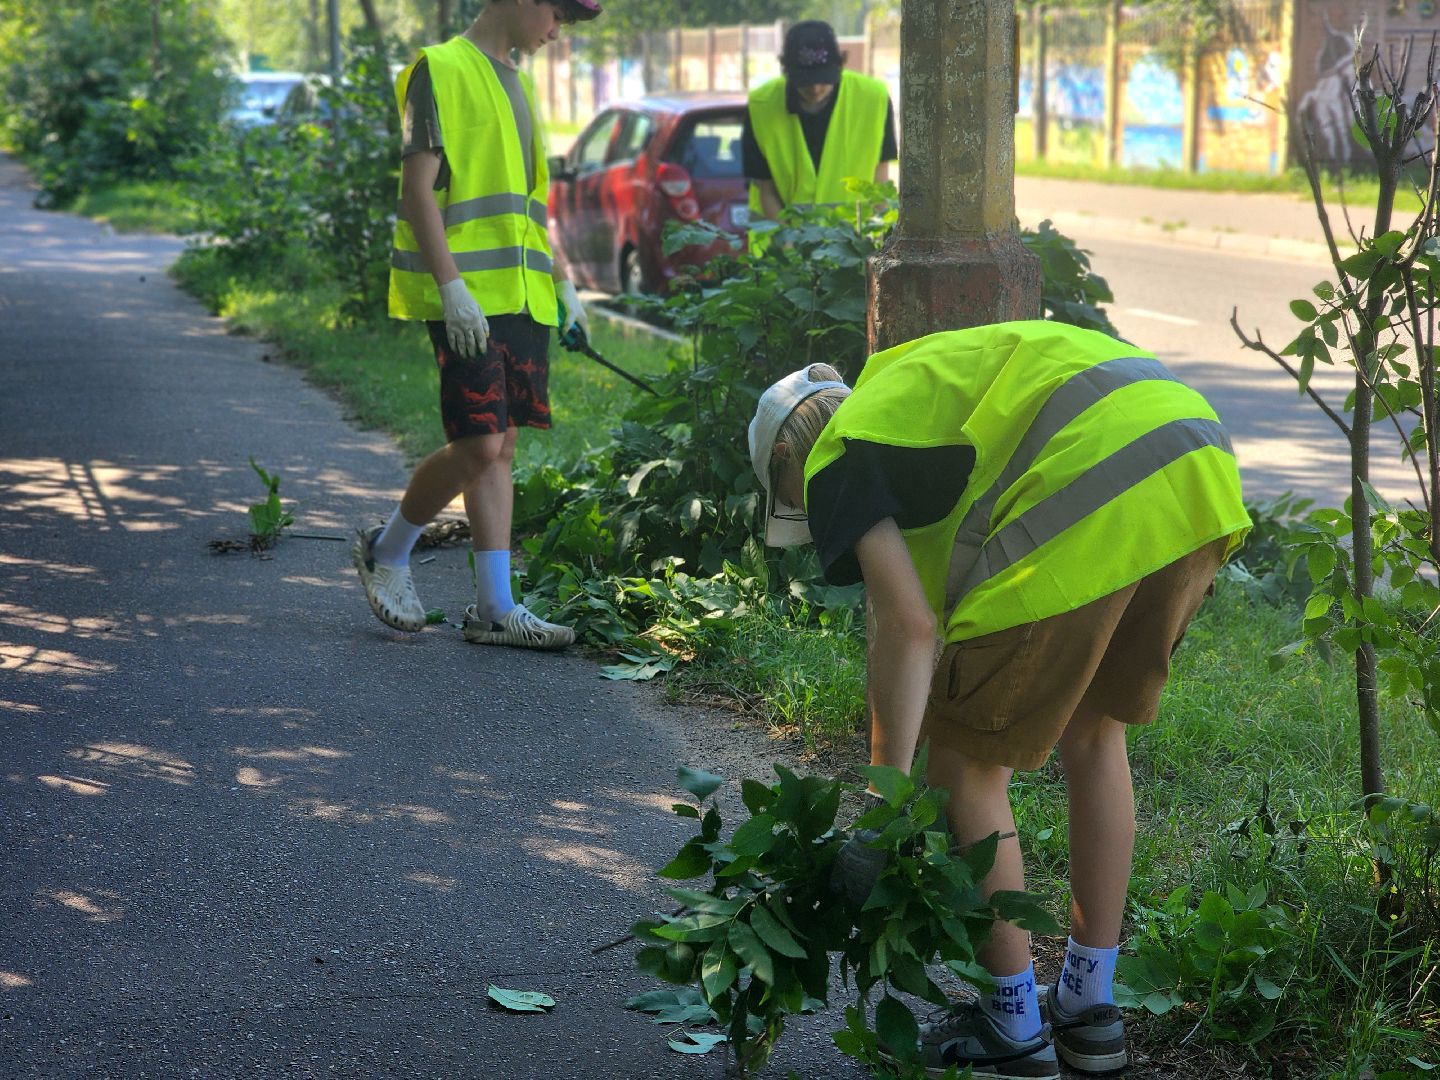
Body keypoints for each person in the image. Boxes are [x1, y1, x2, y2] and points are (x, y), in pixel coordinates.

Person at [747, 321, 1251, 1078]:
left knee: (964, 770)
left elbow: (908, 630)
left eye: (791, 500)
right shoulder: (906, 398)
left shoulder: (833, 456)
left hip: (1092, 484)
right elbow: (919, 623)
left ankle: (1011, 1019)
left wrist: (887, 805)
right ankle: (1089, 1008)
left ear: (785, 456)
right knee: (1094, 735)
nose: (812, 516)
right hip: (1196, 471)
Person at [354, 0, 600, 649]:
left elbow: (530, 205)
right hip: (466, 297)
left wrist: (564, 286)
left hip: (521, 296)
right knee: (478, 444)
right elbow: (417, 188)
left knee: (504, 444)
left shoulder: (517, 81)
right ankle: (388, 549)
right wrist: (451, 287)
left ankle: (495, 608)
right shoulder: (438, 68)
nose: (558, 31)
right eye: (558, 15)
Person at [741, 20, 897, 221]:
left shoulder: (874, 99)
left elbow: (880, 182)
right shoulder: (761, 105)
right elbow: (766, 189)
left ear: (840, 66)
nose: (815, 89)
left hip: (855, 246)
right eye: (805, 81)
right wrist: (788, 244)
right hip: (783, 243)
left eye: (823, 78)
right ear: (786, 72)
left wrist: (875, 240)